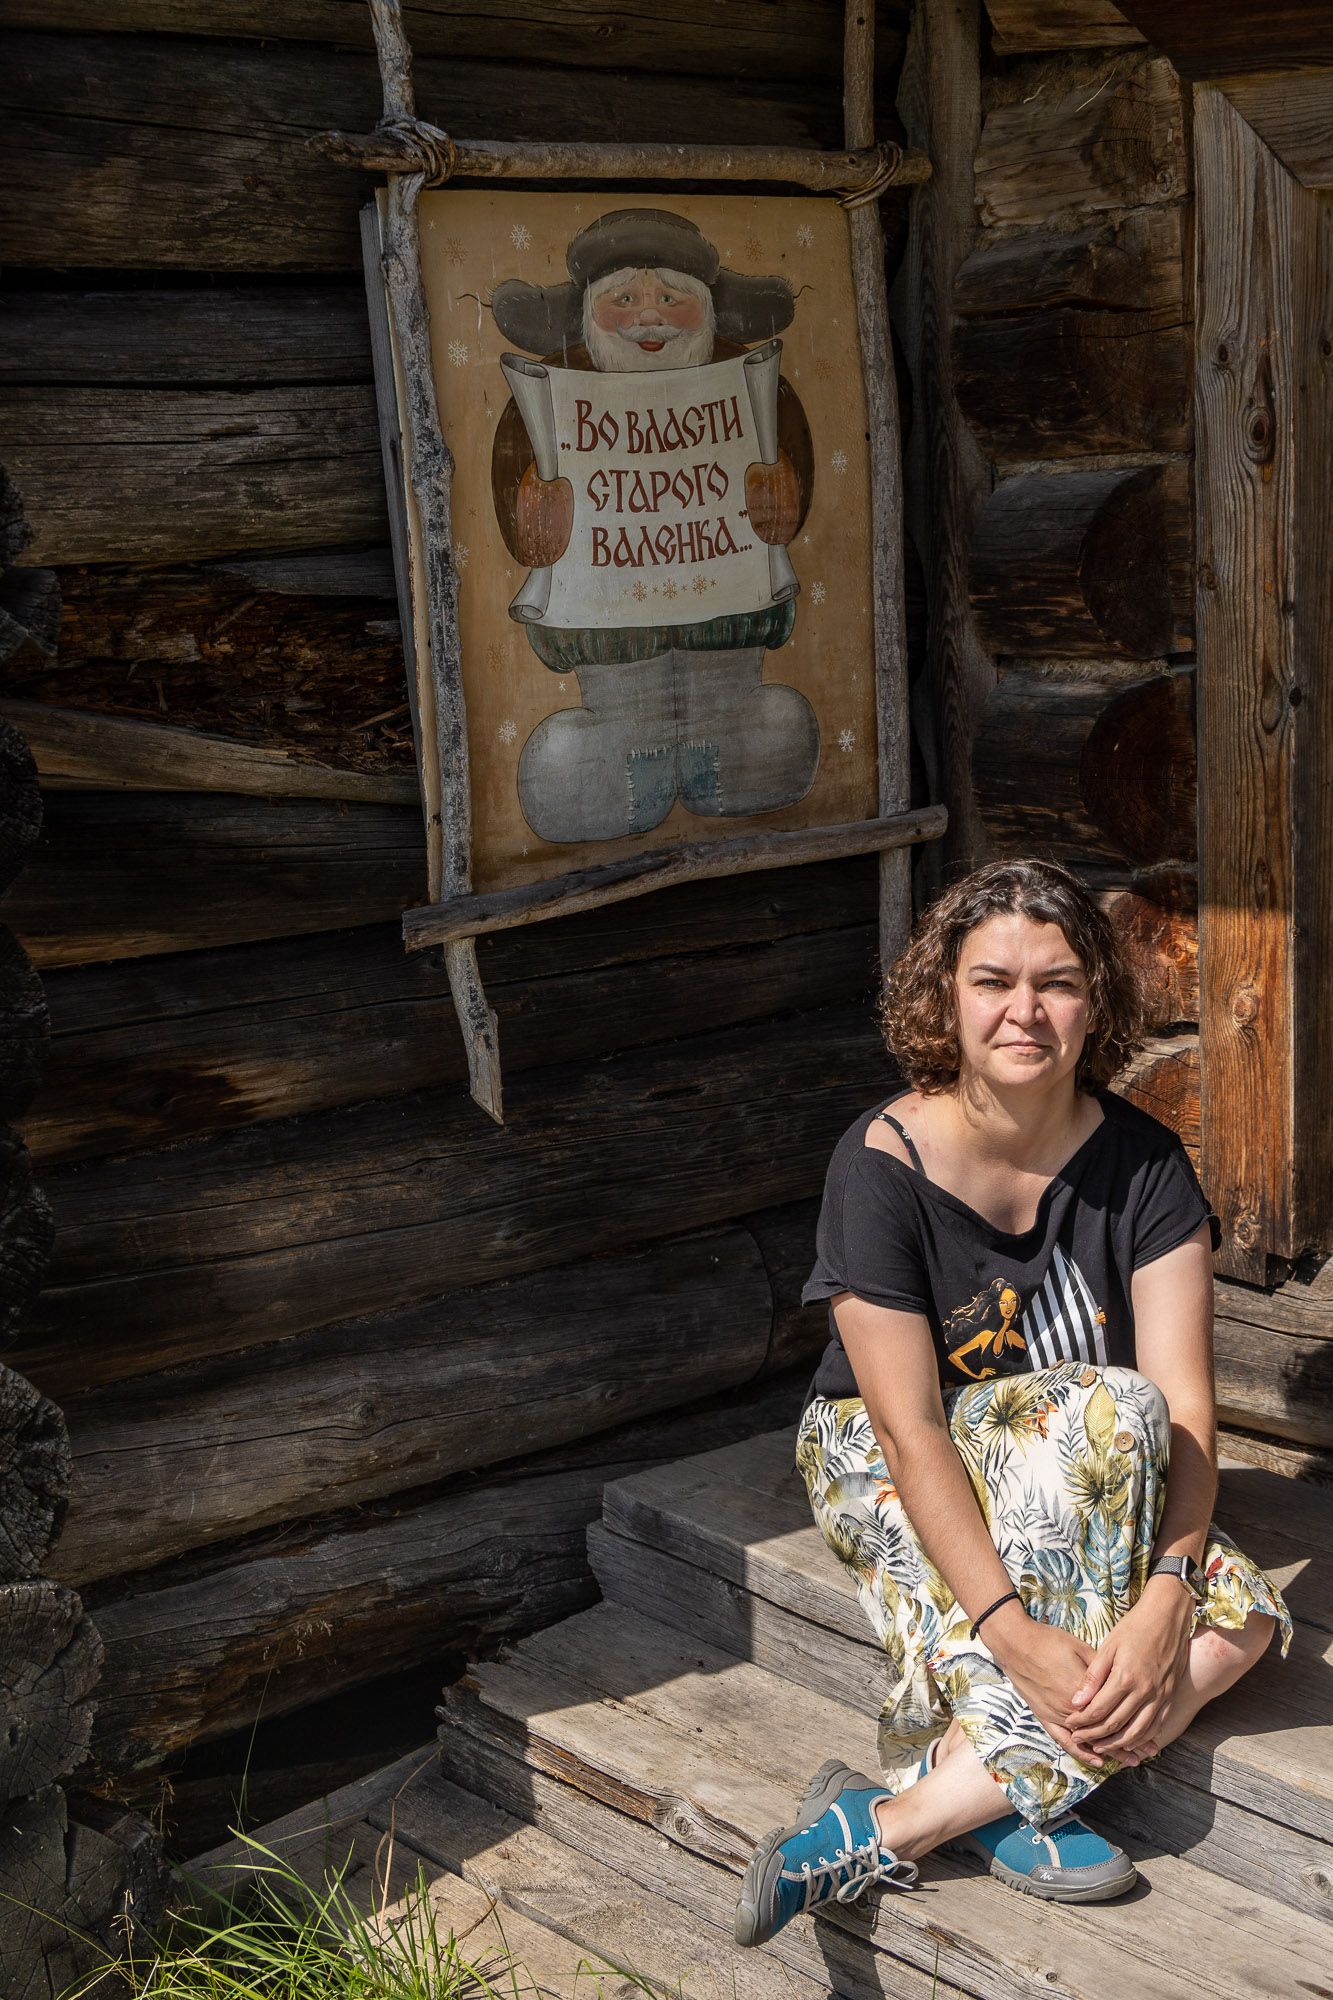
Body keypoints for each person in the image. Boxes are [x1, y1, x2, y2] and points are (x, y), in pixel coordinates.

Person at [735, 859, 1290, 1948]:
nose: (1023, 1011)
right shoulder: (880, 1162)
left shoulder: (1144, 1165)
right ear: (944, 996)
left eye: (1057, 982)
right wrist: (1013, 1632)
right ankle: (1012, 1795)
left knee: (1241, 1615)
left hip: (1083, 1469)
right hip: (884, 1455)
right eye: (992, 981)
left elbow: (1187, 1410)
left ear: (1097, 1002)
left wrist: (1165, 1596)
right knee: (1108, 1412)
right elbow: (908, 1428)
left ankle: (898, 1818)